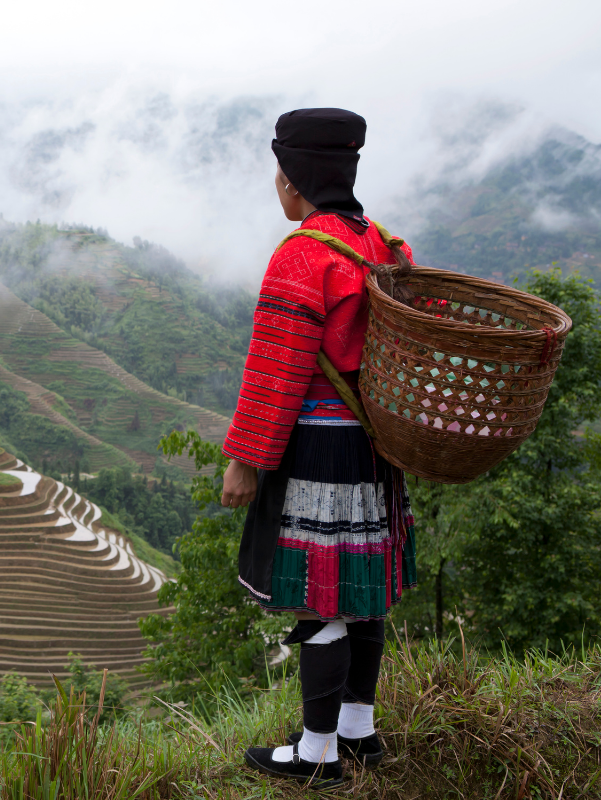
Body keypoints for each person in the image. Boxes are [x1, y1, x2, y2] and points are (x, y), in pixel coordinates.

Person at [223, 108, 417, 790]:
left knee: (321, 599)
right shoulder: (388, 246)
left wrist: (246, 458)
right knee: (364, 595)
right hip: (377, 447)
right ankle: (359, 734)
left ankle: (315, 752)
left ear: (295, 180)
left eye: (280, 173)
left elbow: (276, 368)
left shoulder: (304, 256)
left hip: (320, 452)